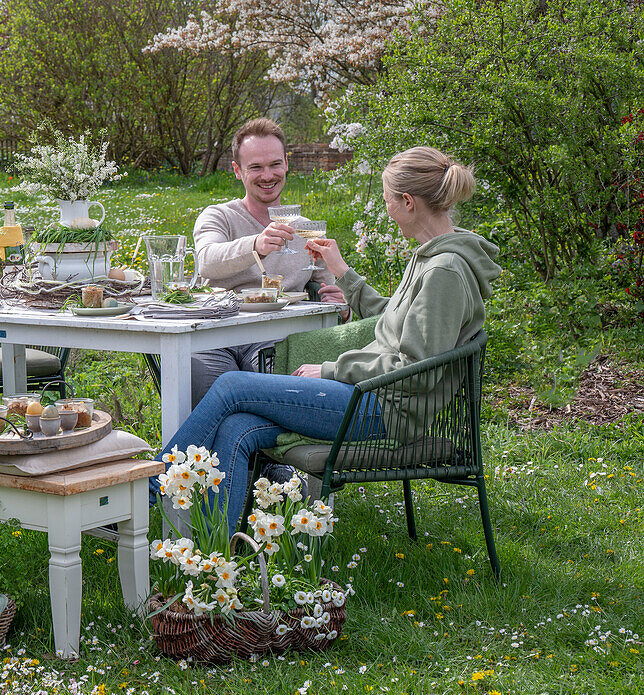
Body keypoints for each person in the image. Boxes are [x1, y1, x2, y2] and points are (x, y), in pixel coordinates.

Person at [152, 146, 502, 534]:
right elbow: (396, 320)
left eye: (387, 201)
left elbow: (415, 369)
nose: (386, 211)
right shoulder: (430, 258)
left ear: (407, 202)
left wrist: (332, 370)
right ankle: (212, 557)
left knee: (232, 386)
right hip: (373, 398)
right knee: (238, 424)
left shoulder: (445, 270)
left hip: (386, 410)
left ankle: (149, 488)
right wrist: (342, 272)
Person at [188, 118, 346, 406]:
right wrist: (255, 245)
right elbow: (207, 262)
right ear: (237, 170)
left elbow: (332, 290)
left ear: (287, 164)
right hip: (213, 339)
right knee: (213, 400)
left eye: (275, 164)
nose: (268, 175)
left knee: (250, 404)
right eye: (256, 167)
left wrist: (342, 307)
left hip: (273, 340)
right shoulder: (218, 216)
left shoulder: (307, 229)